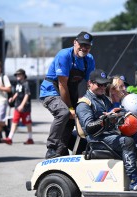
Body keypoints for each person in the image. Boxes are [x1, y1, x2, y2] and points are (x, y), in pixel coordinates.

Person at [76, 69, 137, 192]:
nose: (102, 87)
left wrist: (121, 114)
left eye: (104, 84)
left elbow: (115, 115)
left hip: (112, 134)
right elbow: (89, 128)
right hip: (98, 139)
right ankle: (134, 181)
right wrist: (106, 119)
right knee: (127, 141)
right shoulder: (84, 104)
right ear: (89, 83)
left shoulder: (104, 99)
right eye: (99, 84)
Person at [39, 31, 95, 159]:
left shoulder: (89, 59)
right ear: (75, 43)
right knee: (64, 113)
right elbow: (62, 85)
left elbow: (88, 84)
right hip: (51, 91)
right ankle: (51, 148)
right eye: (81, 44)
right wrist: (70, 108)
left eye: (88, 46)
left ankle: (61, 152)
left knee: (73, 119)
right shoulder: (64, 55)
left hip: (70, 92)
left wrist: (83, 102)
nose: (84, 48)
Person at [3, 69, 34, 145]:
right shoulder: (18, 83)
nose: (17, 76)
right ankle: (10, 138)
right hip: (17, 107)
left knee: (27, 123)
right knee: (14, 121)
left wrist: (22, 105)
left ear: (23, 75)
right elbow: (17, 92)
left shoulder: (26, 83)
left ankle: (30, 138)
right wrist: (12, 98)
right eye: (16, 75)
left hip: (25, 108)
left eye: (19, 74)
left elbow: (27, 95)